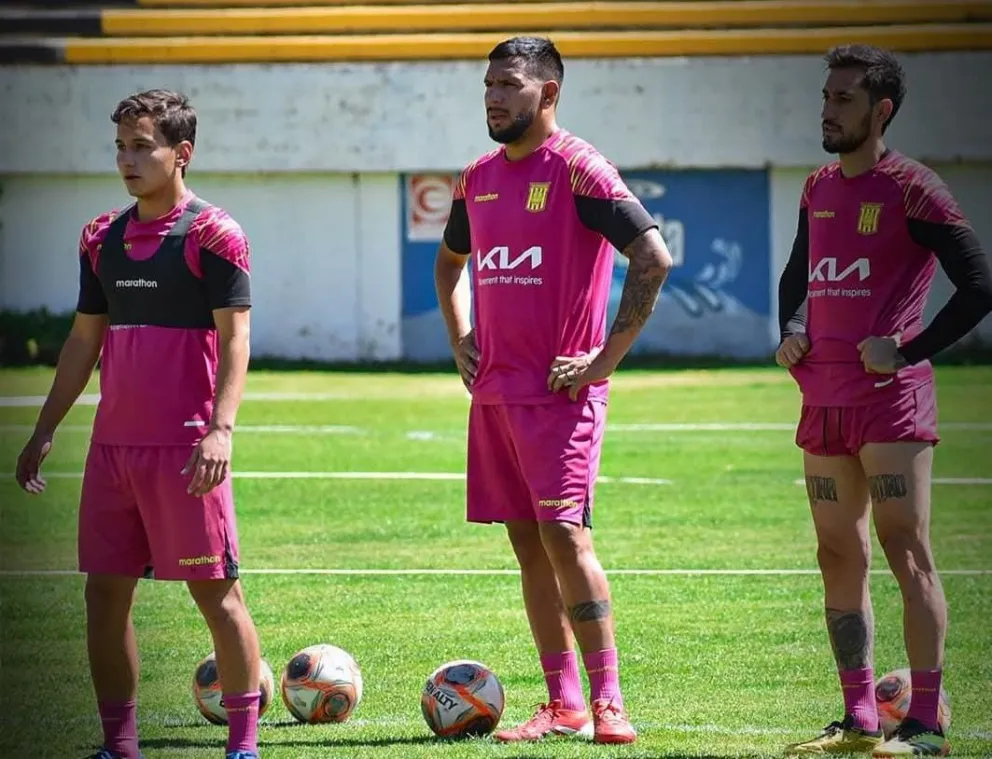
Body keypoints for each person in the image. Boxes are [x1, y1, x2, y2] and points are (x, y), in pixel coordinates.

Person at [433, 36, 673, 745]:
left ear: (549, 92)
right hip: (496, 397)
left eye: (509, 84)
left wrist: (605, 359)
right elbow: (450, 263)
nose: (495, 97)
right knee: (528, 547)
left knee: (566, 537)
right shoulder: (476, 178)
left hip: (560, 398)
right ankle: (562, 702)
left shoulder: (579, 170)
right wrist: (460, 337)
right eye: (488, 86)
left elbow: (652, 258)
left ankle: (607, 701)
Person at [14, 89, 263, 759]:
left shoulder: (214, 233)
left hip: (186, 451)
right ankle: (119, 744)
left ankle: (243, 745)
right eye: (121, 146)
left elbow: (235, 340)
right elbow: (81, 342)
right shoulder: (101, 236)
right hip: (113, 452)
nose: (128, 158)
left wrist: (220, 429)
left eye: (142, 145)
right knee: (103, 598)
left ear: (181, 154)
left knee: (218, 597)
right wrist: (44, 429)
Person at [777, 45, 992, 757]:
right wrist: (792, 331)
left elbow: (979, 284)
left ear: (881, 111)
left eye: (843, 99)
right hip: (824, 398)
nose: (827, 109)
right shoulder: (816, 187)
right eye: (826, 96)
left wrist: (908, 347)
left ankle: (927, 724)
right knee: (836, 553)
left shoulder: (913, 189)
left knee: (907, 548)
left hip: (890, 403)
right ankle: (858, 717)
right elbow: (797, 275)